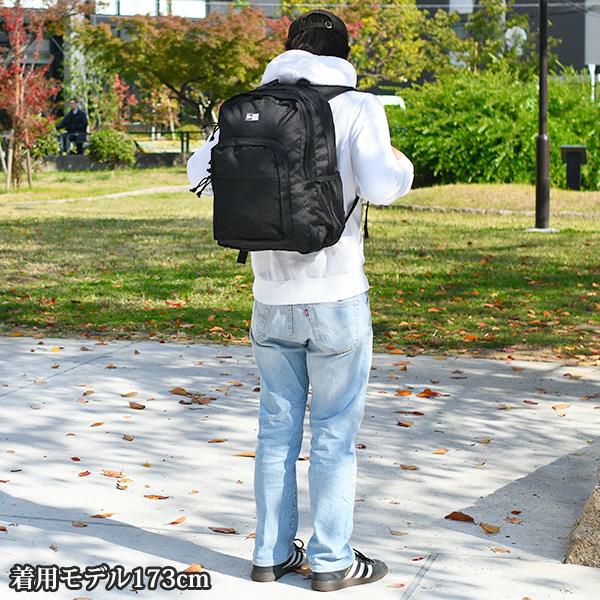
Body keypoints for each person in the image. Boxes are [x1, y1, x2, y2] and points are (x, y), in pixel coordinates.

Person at [186, 9, 414, 592]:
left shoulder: (250, 109)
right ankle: (332, 561)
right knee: (334, 433)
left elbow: (196, 175)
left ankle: (270, 553)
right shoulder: (358, 106)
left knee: (276, 430)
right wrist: (403, 164)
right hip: (337, 296)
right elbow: (383, 185)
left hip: (270, 299)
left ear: (289, 49)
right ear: (343, 54)